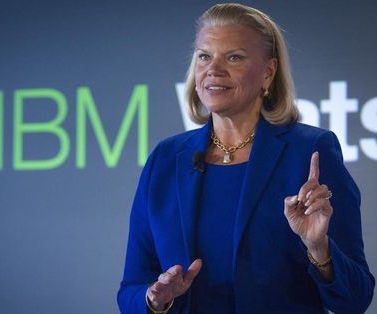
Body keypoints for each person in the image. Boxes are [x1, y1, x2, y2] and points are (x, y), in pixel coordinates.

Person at [117, 3, 375, 313]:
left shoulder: (310, 151)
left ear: (268, 72)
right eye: (204, 56)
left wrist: (319, 249)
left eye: (234, 57)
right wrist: (154, 299)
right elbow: (131, 290)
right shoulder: (165, 159)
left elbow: (355, 299)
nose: (213, 69)